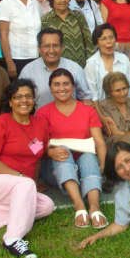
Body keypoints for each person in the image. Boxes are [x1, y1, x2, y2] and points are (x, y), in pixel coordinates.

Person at [0, 79, 55, 258]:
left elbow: (42, 152)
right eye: (18, 97)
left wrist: (55, 152)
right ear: (10, 102)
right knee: (25, 185)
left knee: (47, 206)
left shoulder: (40, 124)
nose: (24, 101)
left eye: (28, 96)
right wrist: (20, 177)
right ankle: (12, 238)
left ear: (34, 100)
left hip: (21, 187)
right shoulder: (0, 123)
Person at [37, 68, 108, 229]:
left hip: (85, 165)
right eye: (56, 84)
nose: (61, 88)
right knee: (63, 151)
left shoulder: (87, 110)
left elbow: (99, 141)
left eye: (66, 84)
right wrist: (50, 151)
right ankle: (79, 205)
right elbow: (35, 144)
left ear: (73, 86)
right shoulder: (43, 113)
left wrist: (102, 166)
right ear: (50, 88)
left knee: (89, 157)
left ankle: (94, 207)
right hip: (56, 166)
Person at [19, 28, 93, 107]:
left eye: (55, 45)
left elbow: (86, 98)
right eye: (46, 46)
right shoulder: (28, 71)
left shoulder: (75, 68)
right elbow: (21, 100)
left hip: (70, 117)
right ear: (39, 49)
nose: (51, 50)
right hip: (39, 118)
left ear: (62, 48)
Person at [0, 0, 42, 78]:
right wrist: (9, 61)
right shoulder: (5, 5)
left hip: (36, 57)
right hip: (17, 58)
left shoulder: (35, 3)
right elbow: (3, 35)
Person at [85, 24, 130, 107]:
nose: (109, 41)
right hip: (102, 108)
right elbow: (94, 95)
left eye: (111, 37)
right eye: (104, 39)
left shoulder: (123, 59)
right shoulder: (91, 63)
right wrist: (102, 116)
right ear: (97, 43)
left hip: (125, 107)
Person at [41, 0, 94, 68]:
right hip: (57, 67)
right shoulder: (46, 20)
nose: (63, 0)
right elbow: (43, 46)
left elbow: (88, 41)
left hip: (80, 66)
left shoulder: (78, 16)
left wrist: (90, 63)